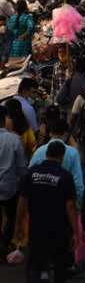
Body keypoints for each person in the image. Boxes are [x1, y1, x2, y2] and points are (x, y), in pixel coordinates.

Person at [15, 141, 78, 283]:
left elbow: (22, 202)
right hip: (59, 229)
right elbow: (70, 206)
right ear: (61, 157)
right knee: (59, 266)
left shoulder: (31, 174)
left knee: (34, 264)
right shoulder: (65, 176)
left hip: (37, 228)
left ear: (46, 154)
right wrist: (75, 231)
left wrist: (18, 225)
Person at [0, 104, 24, 251]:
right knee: (11, 216)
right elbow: (21, 167)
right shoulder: (15, 139)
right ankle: (5, 242)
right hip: (9, 187)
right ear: (5, 119)